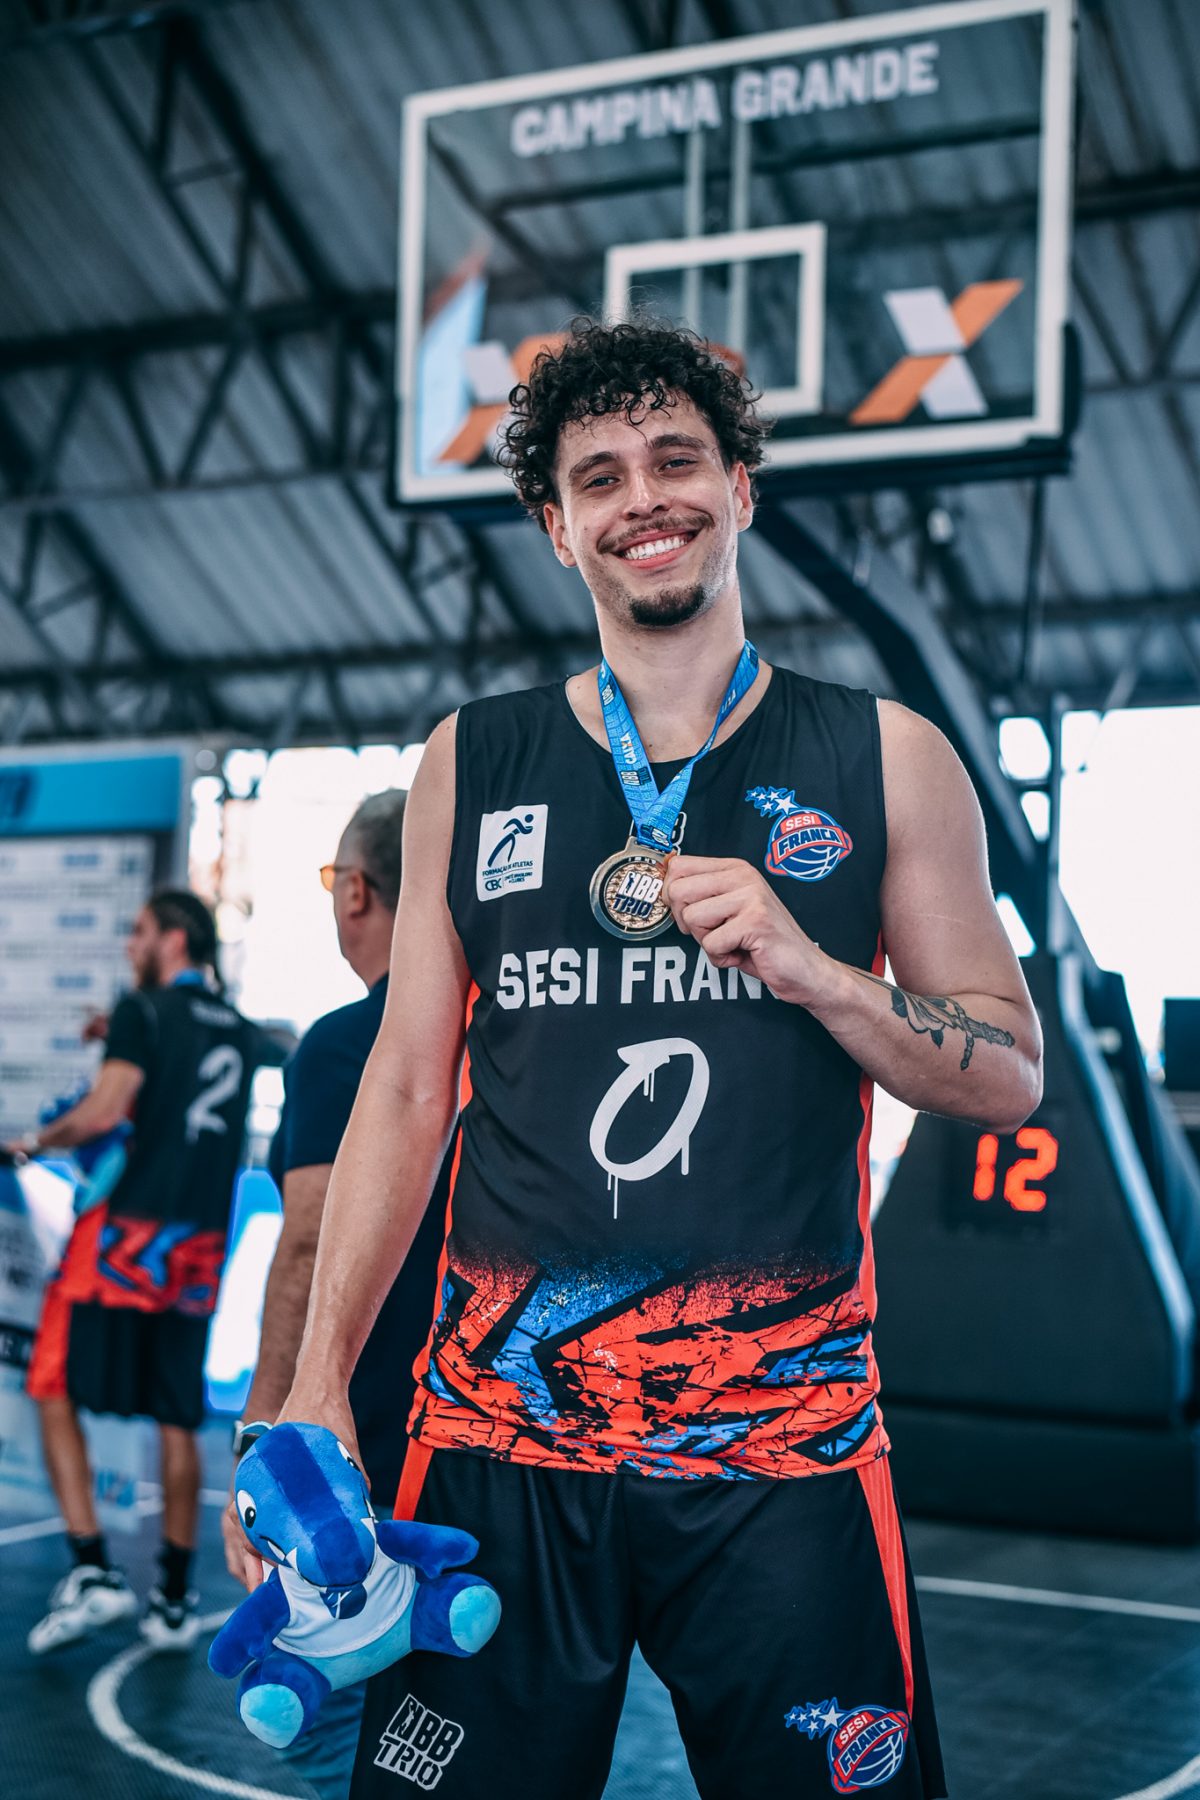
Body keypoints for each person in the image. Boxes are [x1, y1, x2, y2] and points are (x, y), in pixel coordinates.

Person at [275, 320, 1043, 1799]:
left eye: (678, 459)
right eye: (601, 477)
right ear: (559, 530)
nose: (646, 498)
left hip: (784, 1447)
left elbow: (1009, 1073)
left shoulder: (886, 757)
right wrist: (317, 1384)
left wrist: (817, 971)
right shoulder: (470, 760)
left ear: (741, 488)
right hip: (500, 1439)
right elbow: (409, 1088)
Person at [221, 789, 448, 1800]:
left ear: (356, 890)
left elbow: (308, 1240)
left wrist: (261, 1430)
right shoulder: (516, 1038)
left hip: (360, 1465)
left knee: (332, 1741)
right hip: (498, 1452)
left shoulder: (349, 1041)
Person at [16, 889, 260, 1654]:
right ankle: (175, 1599)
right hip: (197, 1250)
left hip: (124, 1247)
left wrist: (32, 1141)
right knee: (178, 1417)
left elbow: (101, 1112)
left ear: (176, 939)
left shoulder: (143, 1011)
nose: (129, 945)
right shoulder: (238, 1027)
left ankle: (92, 1570)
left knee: (51, 1384)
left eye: (140, 931)